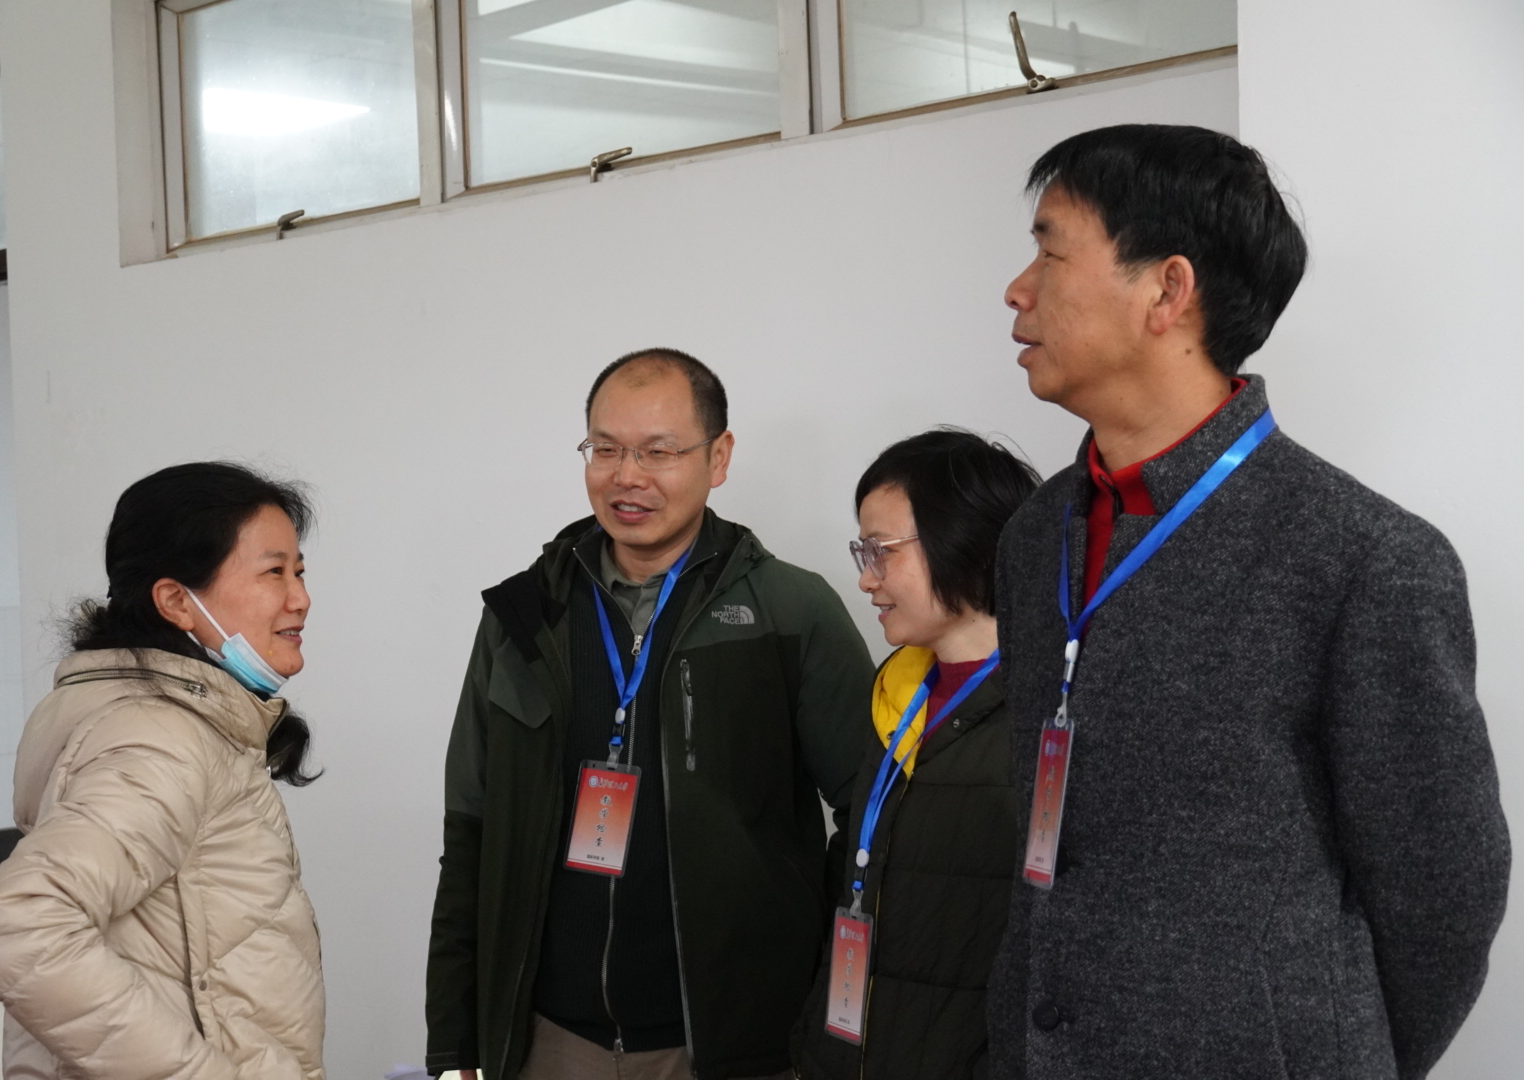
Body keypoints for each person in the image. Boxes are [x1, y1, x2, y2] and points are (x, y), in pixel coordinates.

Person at [987, 124, 1510, 1080]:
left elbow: (1444, 893)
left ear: (1168, 290)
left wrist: (1321, 1049)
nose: (1018, 290)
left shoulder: (1364, 558)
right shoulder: (1035, 535)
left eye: (1050, 253)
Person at [425, 348, 873, 1080]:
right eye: (605, 449)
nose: (627, 476)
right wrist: (456, 1041)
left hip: (730, 1049)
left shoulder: (790, 612)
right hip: (547, 1041)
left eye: (658, 451)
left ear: (718, 457)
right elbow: (470, 830)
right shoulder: (524, 615)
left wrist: (816, 998)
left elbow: (872, 814)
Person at [0, 462, 326, 1080]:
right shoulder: (161, 738)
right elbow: (17, 929)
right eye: (273, 572)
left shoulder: (178, 723)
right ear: (176, 601)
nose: (300, 599)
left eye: (299, 572)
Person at [792, 429, 1039, 1080]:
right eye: (861, 551)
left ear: (967, 541)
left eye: (882, 551)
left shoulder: (1053, 714)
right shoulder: (896, 695)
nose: (865, 578)